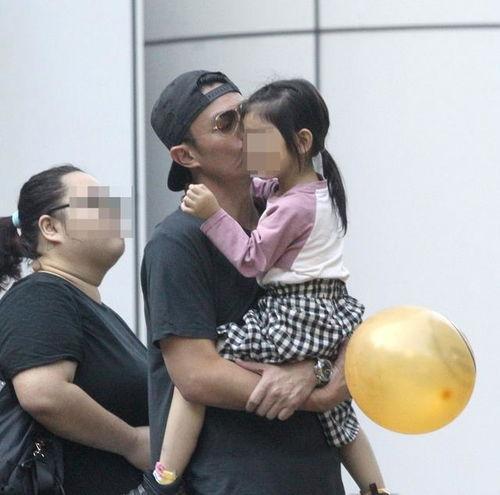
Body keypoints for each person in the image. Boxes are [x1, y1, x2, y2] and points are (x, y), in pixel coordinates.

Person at [133, 70, 373, 495]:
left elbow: (334, 319)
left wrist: (317, 370)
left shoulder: (284, 211)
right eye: (227, 123)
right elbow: (195, 375)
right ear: (186, 155)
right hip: (234, 480)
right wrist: (316, 393)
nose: (247, 131)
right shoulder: (176, 243)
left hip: (315, 475)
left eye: (246, 116)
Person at [0, 165, 150, 494]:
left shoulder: (93, 310)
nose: (114, 213)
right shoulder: (41, 294)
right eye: (95, 203)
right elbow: (43, 393)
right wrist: (133, 442)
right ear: (51, 227)